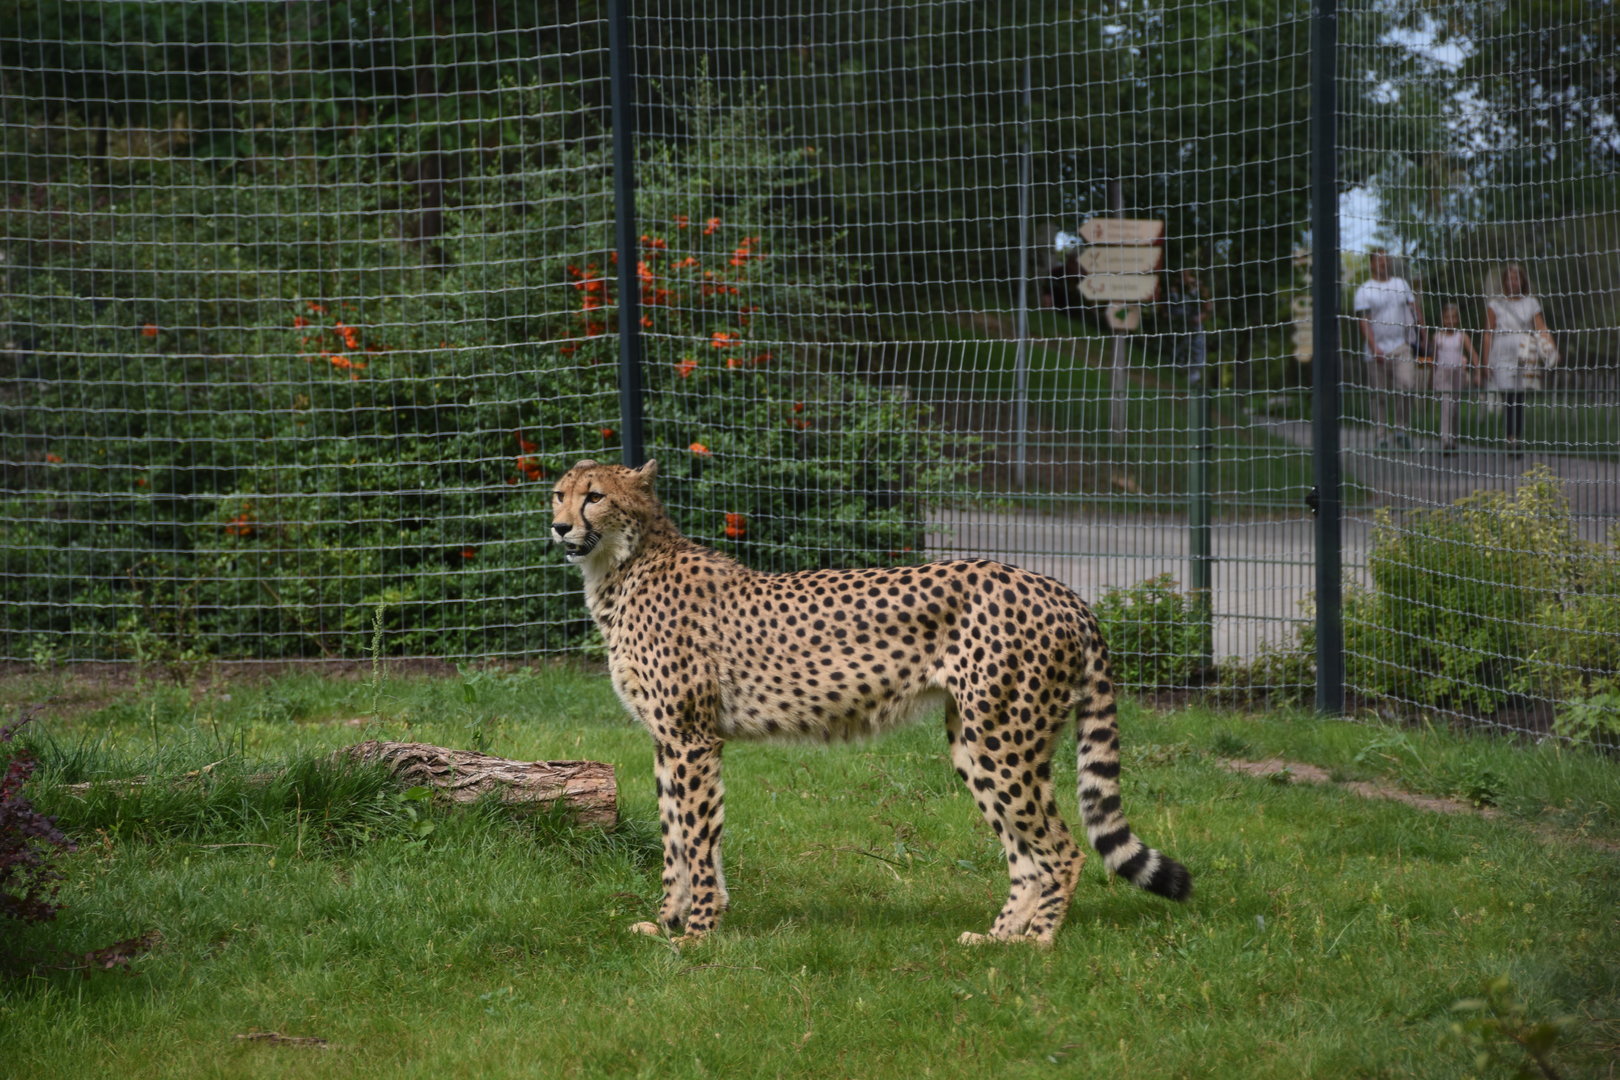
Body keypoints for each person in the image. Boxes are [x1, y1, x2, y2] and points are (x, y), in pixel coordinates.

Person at [1480, 262, 1555, 456]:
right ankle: (1510, 437)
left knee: (1519, 396)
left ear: (1523, 281)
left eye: (1517, 278)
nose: (1513, 281)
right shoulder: (1495, 304)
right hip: (1502, 352)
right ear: (1504, 281)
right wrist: (1485, 361)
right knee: (1508, 396)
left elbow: (1541, 327)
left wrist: (1551, 347)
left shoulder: (1531, 302)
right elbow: (1488, 333)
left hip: (1523, 352)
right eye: (1509, 278)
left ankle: (1516, 438)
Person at [1353, 250, 1425, 449]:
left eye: (1386, 261)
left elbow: (1413, 308)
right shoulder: (1364, 290)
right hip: (1376, 350)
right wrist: (1373, 346)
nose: (1384, 264)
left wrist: (1422, 331)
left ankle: (1401, 429)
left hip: (1401, 346)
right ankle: (1381, 434)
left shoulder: (1401, 284)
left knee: (1406, 385)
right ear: (1372, 264)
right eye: (1380, 261)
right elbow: (1363, 321)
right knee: (1380, 394)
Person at [1429, 302, 1480, 455]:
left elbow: (1473, 354)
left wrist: (1477, 372)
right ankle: (1446, 440)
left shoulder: (1461, 336)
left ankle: (1454, 438)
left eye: (1453, 317)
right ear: (1443, 319)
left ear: (1457, 319)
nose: (1450, 320)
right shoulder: (1438, 336)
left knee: (1455, 408)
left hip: (1457, 374)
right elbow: (1434, 358)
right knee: (1446, 406)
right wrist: (1431, 378)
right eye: (1447, 317)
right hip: (1443, 374)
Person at [1165, 268, 1213, 383]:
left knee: (1197, 345)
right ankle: (1176, 369)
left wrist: (1201, 316)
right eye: (1181, 275)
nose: (1184, 277)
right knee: (1178, 344)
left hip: (1194, 323)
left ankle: (1193, 374)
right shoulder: (1175, 286)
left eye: (1185, 275)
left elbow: (1208, 306)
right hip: (1179, 323)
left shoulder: (1198, 286)